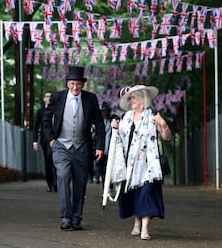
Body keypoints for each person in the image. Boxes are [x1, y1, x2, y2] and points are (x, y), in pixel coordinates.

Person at [43, 66, 105, 231]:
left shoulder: (90, 99)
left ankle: (76, 218)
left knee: (80, 182)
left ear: (82, 84)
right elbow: (46, 118)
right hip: (61, 145)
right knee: (62, 177)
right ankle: (65, 217)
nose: (75, 87)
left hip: (82, 146)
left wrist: (99, 146)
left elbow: (99, 123)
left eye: (78, 84)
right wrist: (50, 139)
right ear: (67, 83)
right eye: (72, 83)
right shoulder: (57, 97)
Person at [111, 85, 172, 240]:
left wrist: (163, 125)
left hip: (148, 164)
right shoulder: (126, 117)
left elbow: (167, 137)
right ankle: (137, 223)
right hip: (130, 165)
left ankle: (144, 228)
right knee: (134, 194)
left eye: (134, 97)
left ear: (142, 99)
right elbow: (120, 139)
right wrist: (116, 128)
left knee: (146, 193)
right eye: (130, 98)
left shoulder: (152, 116)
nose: (131, 100)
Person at [33, 91, 57, 192]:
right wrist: (35, 142)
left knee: (56, 161)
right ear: (44, 99)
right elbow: (36, 127)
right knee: (48, 162)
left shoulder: (57, 110)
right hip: (45, 140)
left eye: (51, 96)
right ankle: (50, 184)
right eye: (47, 96)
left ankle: (57, 183)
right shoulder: (40, 111)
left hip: (56, 139)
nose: (49, 98)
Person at [98, 102, 120, 187]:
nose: (104, 113)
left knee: (110, 169)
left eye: (106, 111)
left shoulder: (113, 119)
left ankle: (109, 185)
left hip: (111, 149)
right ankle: (105, 187)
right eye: (103, 111)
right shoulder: (99, 121)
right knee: (102, 170)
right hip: (101, 149)